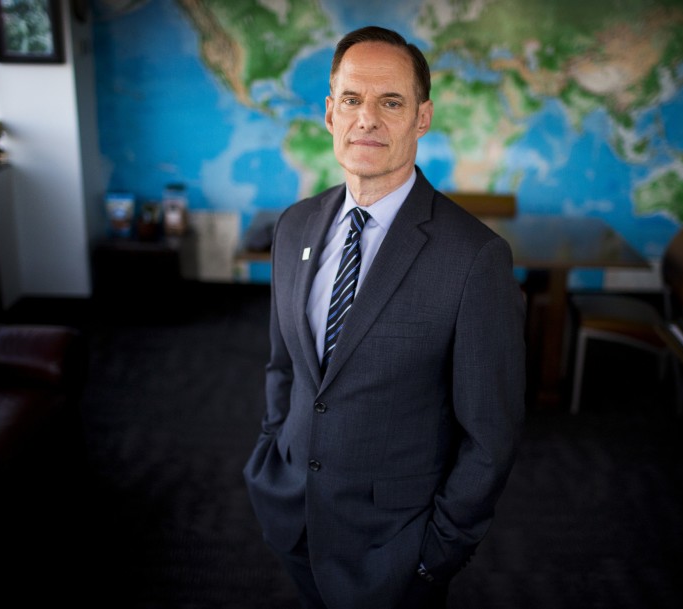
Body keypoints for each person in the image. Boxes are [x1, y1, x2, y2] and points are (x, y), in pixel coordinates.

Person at [243, 25, 526, 609]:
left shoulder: (474, 258)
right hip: (291, 512)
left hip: (394, 550)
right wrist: (272, 454)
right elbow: (284, 367)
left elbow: (490, 437)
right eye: (352, 99)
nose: (366, 118)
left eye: (390, 101)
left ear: (422, 117)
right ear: (329, 113)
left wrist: (434, 556)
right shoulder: (293, 226)